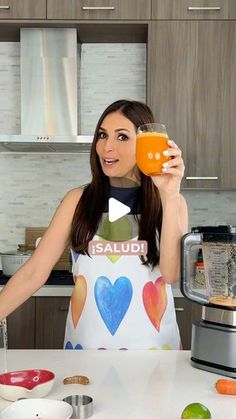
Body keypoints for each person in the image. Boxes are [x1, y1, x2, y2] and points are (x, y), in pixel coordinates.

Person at [0, 99, 188, 350]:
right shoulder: (77, 200)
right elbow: (34, 272)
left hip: (154, 356)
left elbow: (172, 274)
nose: (107, 147)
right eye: (102, 135)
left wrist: (170, 194)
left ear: (144, 143)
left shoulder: (172, 202)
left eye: (122, 137)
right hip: (85, 354)